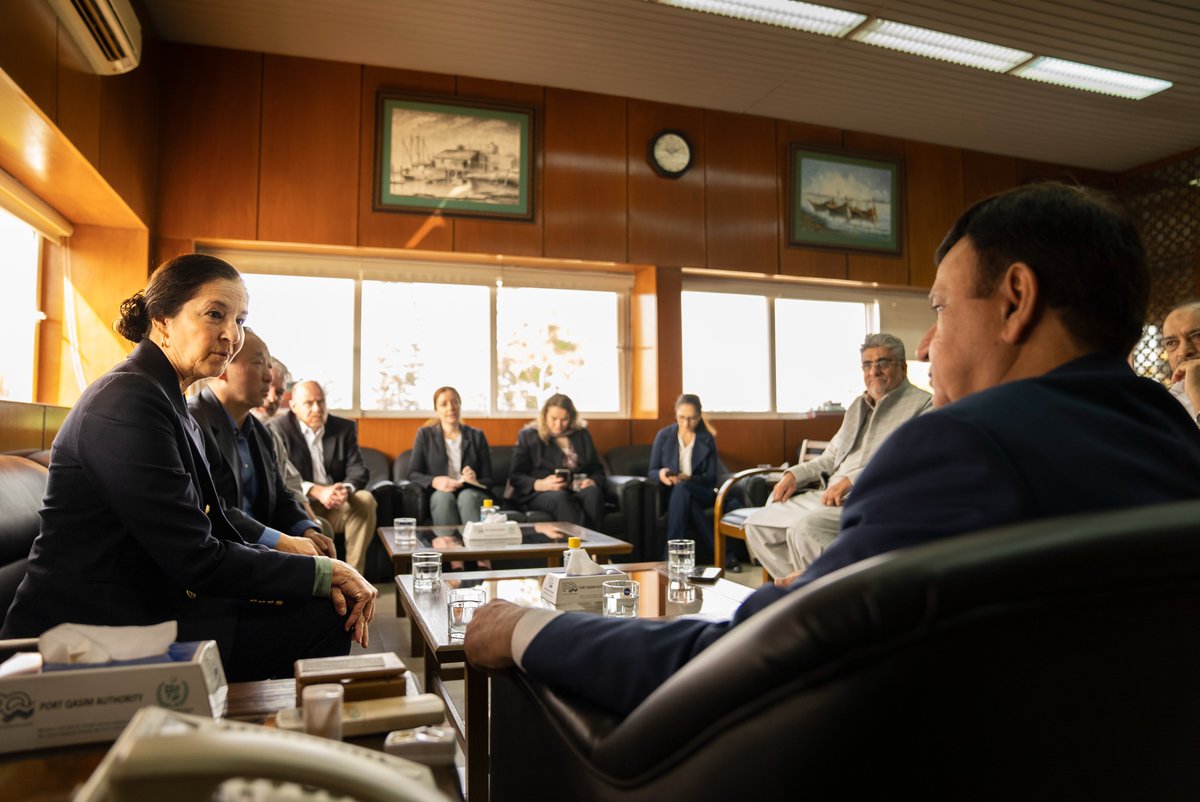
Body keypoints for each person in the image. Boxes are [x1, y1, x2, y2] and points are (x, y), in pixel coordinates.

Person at [464, 182, 1200, 716]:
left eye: (940, 308)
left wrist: (532, 626)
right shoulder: (1174, 440)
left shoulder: (961, 446)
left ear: (1015, 298)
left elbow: (739, 666)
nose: (929, 344)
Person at [1, 254, 377, 681]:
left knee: (317, 608)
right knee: (321, 616)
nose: (232, 335)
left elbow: (214, 522)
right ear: (162, 320)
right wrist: (323, 571)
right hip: (97, 630)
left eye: (240, 319)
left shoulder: (166, 399)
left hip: (155, 603)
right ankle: (252, 742)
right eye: (216, 314)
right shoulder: (128, 401)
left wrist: (301, 563)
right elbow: (195, 557)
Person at [742, 333, 932, 579]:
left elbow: (910, 462)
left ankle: (829, 595)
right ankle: (802, 590)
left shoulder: (924, 404)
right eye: (867, 364)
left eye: (883, 362)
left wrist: (851, 479)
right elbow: (830, 457)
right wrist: (793, 474)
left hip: (869, 497)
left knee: (804, 530)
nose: (874, 371)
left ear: (902, 367)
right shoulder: (856, 406)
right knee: (758, 524)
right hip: (829, 495)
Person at [188, 329, 336, 559]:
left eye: (268, 365)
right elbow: (211, 508)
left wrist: (305, 528)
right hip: (223, 557)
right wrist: (282, 541)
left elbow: (281, 495)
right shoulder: (192, 423)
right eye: (259, 363)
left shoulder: (261, 432)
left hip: (263, 555)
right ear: (222, 368)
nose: (269, 376)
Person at [270, 380, 378, 574]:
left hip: (338, 503)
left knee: (365, 499)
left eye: (321, 402)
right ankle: (323, 580)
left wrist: (344, 489)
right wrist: (317, 491)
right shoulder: (277, 429)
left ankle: (354, 576)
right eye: (309, 403)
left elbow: (359, 470)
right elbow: (281, 478)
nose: (317, 409)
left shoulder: (344, 428)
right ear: (293, 406)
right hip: (303, 506)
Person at [251, 357, 336, 542]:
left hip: (282, 514)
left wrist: (310, 524)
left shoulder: (268, 433)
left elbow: (291, 481)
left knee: (322, 530)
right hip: (258, 527)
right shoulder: (276, 429)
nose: (273, 398)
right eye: (267, 384)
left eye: (280, 391)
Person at [509, 393, 606, 529]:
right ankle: (586, 546)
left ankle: (596, 546)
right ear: (544, 415)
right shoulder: (529, 435)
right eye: (553, 418)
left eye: (564, 419)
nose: (558, 425)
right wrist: (540, 484)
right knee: (560, 498)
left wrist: (593, 481)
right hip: (540, 493)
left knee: (593, 493)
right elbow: (515, 476)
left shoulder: (582, 434)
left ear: (571, 417)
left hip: (576, 490)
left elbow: (597, 469)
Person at [647, 394, 720, 565]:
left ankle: (670, 556)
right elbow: (651, 471)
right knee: (687, 499)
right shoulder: (664, 435)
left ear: (699, 416)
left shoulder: (706, 438)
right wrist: (661, 474)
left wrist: (689, 478)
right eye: (681, 418)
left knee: (684, 488)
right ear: (675, 415)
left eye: (692, 419)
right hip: (674, 493)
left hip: (701, 491)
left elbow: (711, 478)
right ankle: (724, 554)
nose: (686, 424)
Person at [408, 386, 494, 525]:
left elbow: (489, 479)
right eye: (444, 404)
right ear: (436, 410)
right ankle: (447, 545)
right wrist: (435, 481)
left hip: (471, 491)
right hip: (440, 493)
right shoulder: (424, 435)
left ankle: (475, 544)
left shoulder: (477, 436)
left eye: (455, 402)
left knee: (467, 497)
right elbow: (413, 473)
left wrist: (475, 481)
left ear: (460, 405)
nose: (451, 407)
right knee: (442, 498)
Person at [1161, 301, 1200, 426]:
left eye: (1197, 336)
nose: (1183, 351)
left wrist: (1196, 393)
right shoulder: (1164, 405)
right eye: (1172, 343)